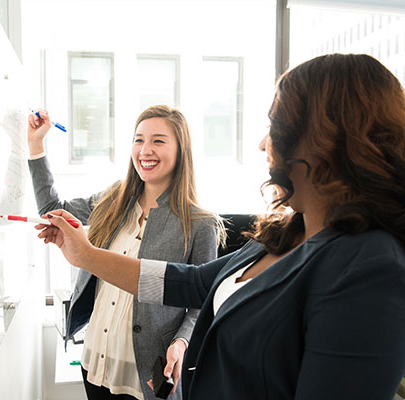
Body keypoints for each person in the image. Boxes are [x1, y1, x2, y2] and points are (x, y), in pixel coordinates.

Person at [36, 54, 405, 399]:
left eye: (275, 127)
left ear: (326, 139)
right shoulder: (285, 234)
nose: (263, 144)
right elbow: (192, 283)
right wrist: (85, 254)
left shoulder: (370, 267)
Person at [26, 105, 223, 400]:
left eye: (158, 141)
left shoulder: (200, 223)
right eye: (138, 139)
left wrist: (182, 342)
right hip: (95, 360)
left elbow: (203, 301)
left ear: (181, 150)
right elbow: (50, 211)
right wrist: (36, 144)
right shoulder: (114, 199)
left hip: (147, 373)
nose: (145, 150)